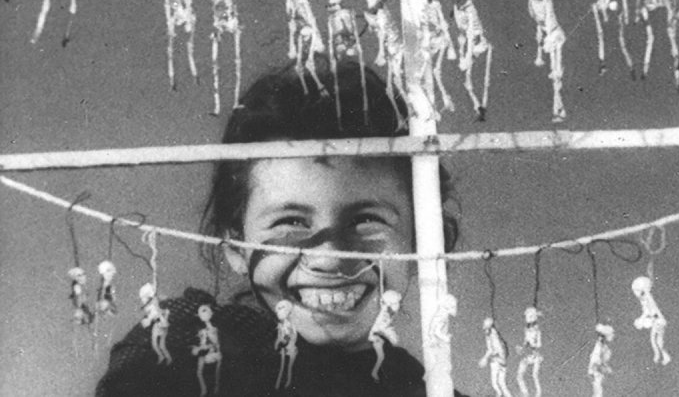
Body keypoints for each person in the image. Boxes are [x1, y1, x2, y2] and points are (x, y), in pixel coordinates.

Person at [96, 59, 465, 396]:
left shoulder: (430, 390)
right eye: (291, 222)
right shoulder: (179, 350)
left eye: (367, 220)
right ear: (235, 245)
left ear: (424, 241)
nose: (329, 258)